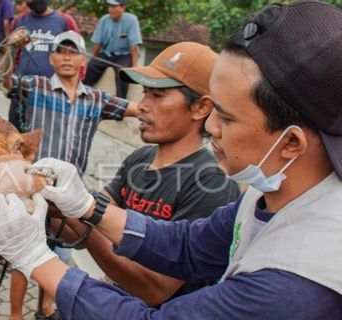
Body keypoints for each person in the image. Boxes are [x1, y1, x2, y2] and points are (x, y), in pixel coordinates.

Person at [0, 1, 342, 319]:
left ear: (291, 142)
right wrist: (88, 205)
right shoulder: (269, 194)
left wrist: (36, 258)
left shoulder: (298, 283)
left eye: (226, 118)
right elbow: (187, 245)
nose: (211, 126)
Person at [62, 42, 240, 306]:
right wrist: (47, 203)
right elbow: (87, 223)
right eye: (144, 93)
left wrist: (85, 223)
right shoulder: (140, 159)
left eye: (157, 95)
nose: (141, 105)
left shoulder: (211, 181)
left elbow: (156, 288)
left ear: (200, 108)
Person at [0, 30, 139, 320]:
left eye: (72, 52)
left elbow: (137, 109)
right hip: (32, 189)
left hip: (67, 195)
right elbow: (2, 81)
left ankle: (45, 309)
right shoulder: (35, 86)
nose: (66, 57)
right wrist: (11, 50)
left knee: (59, 255)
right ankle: (14, 315)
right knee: (23, 257)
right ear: (51, 58)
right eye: (60, 51)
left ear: (83, 60)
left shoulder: (96, 99)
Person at [7, 0, 80, 130]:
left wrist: (72, 87)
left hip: (52, 94)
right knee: (14, 136)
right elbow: (12, 56)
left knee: (48, 139)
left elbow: (78, 55)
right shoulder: (19, 21)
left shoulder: (64, 21)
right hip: (22, 92)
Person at [83, 0, 141, 99]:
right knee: (91, 66)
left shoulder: (132, 20)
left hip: (125, 54)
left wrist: (135, 65)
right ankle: (84, 92)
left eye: (114, 7)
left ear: (123, 8)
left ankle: (121, 100)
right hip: (108, 53)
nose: (111, 9)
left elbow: (134, 45)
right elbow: (97, 43)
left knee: (122, 71)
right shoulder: (104, 20)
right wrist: (93, 59)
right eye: (110, 6)